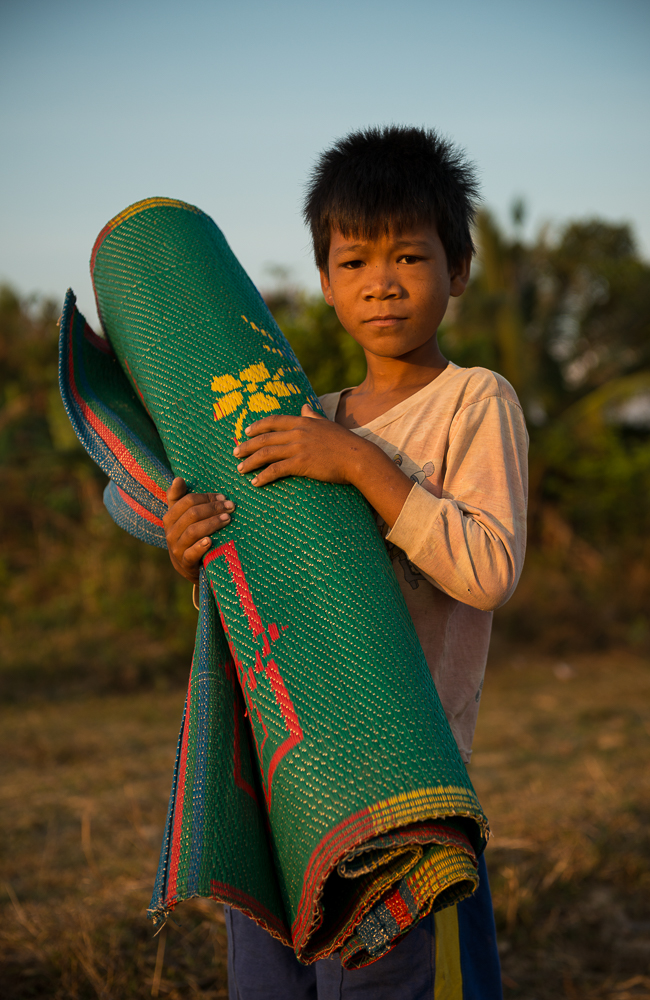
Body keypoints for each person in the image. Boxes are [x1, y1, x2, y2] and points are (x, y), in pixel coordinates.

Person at [163, 125, 528, 1000]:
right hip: (290, 784)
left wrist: (363, 465)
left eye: (409, 256)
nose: (383, 284)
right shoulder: (300, 420)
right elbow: (261, 597)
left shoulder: (472, 402)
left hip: (404, 799)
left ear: (458, 270)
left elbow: (486, 569)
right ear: (324, 284)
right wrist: (194, 553)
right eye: (354, 262)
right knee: (270, 985)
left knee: (383, 987)